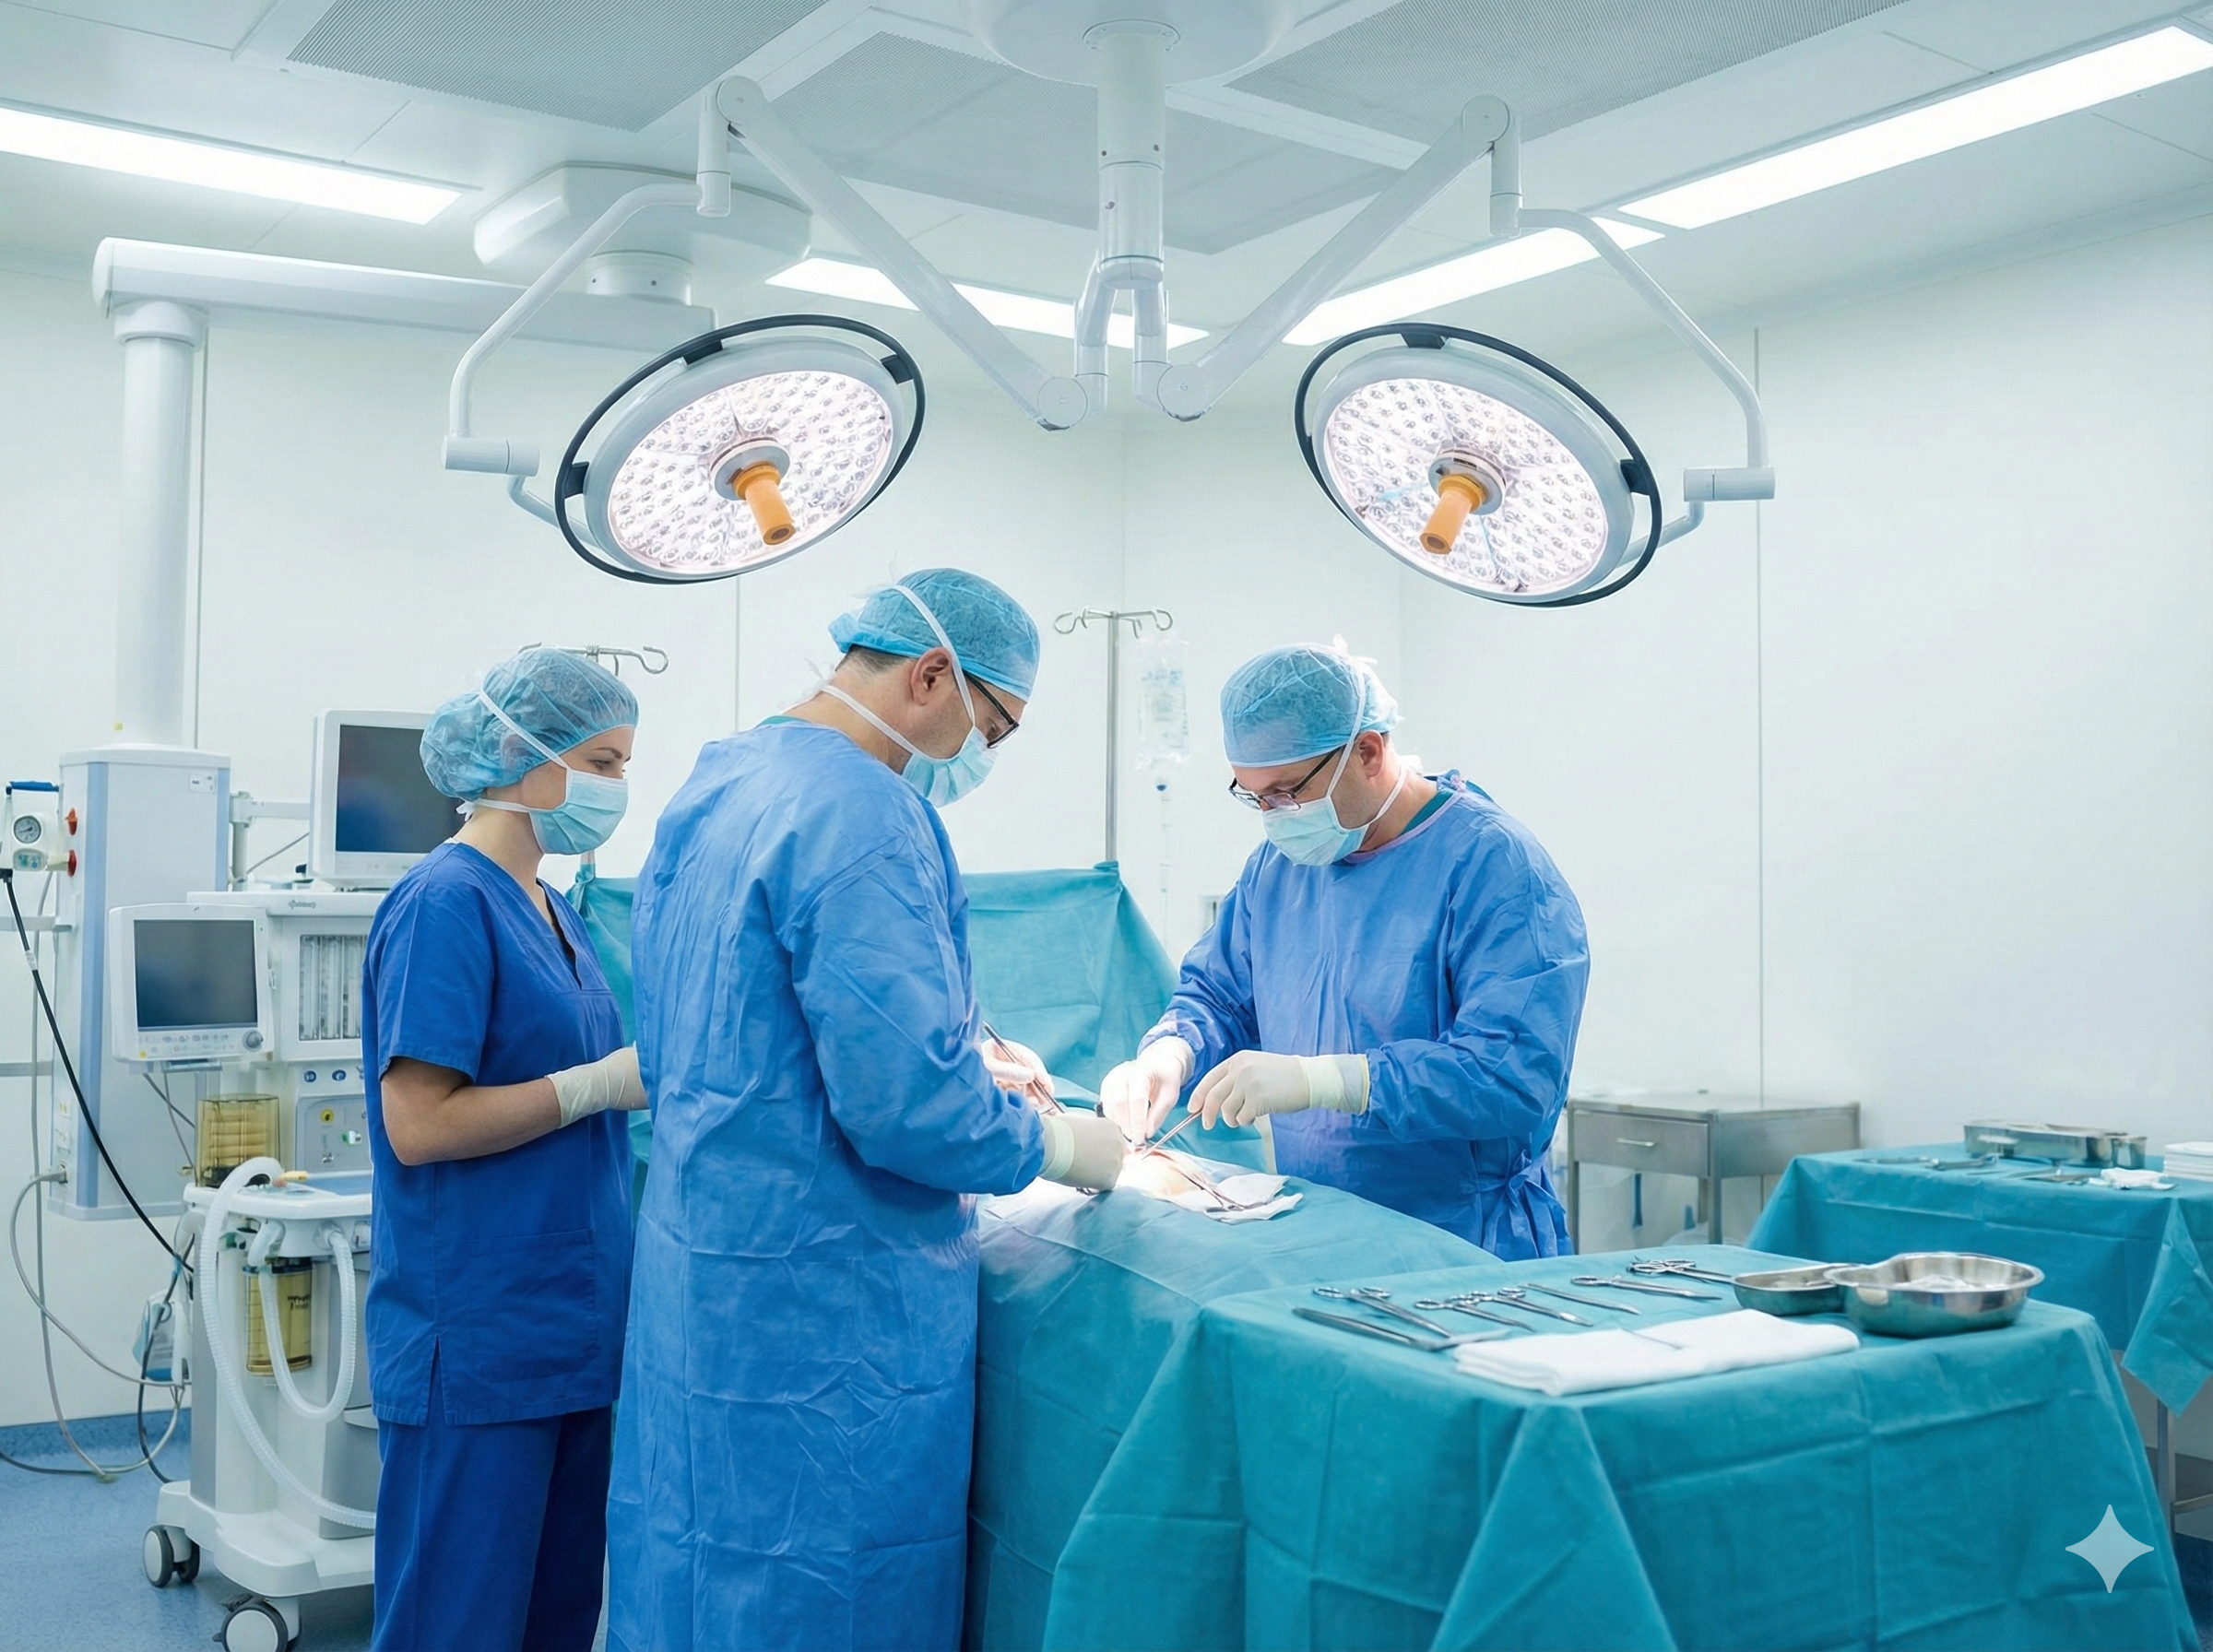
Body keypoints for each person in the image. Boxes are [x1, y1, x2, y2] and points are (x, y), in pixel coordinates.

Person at [606, 569, 1123, 1652]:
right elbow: (912, 1114)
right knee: (818, 1594)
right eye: (997, 727)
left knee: (696, 1565)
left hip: (705, 1279)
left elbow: (736, 1015)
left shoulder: (721, 779)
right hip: (826, 1315)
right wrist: (1067, 1143)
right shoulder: (866, 811)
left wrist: (967, 1046)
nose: (986, 754)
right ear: (934, 674)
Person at [1098, 644, 1588, 1258]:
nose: (1273, 818)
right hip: (1325, 1232)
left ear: (1369, 752)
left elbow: (1514, 1078)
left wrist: (1331, 1080)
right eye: (1254, 797)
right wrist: (1169, 1054)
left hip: (1465, 1243)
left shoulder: (1495, 868)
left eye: (1285, 792)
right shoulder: (1279, 868)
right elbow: (1220, 996)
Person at [361, 648, 649, 1652]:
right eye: (602, 763)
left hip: (569, 1331)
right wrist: (595, 1086)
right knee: (459, 1620)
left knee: (555, 1619)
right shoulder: (446, 901)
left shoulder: (554, 908)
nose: (616, 789)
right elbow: (420, 1123)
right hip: (479, 1337)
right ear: (525, 761)